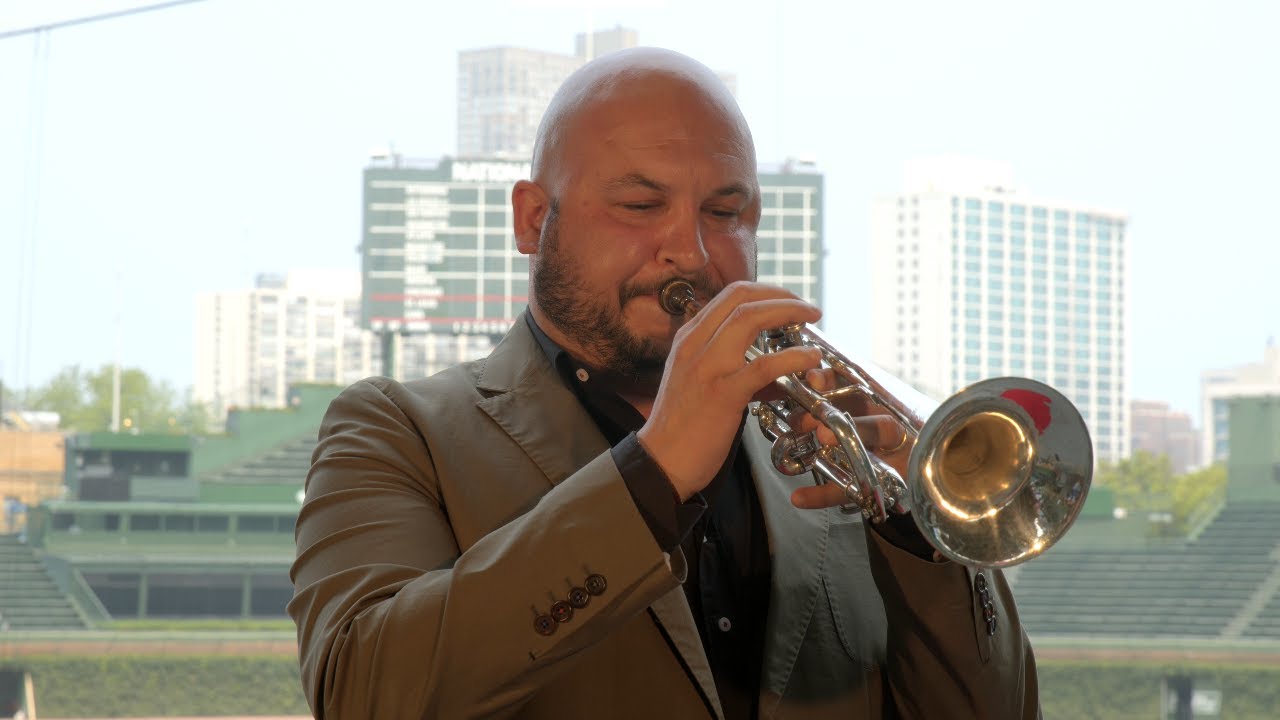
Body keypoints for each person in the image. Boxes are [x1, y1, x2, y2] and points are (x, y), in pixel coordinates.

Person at [289, 47, 1039, 719]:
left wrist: (920, 538)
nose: (692, 250)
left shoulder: (834, 462)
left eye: (725, 211)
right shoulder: (394, 430)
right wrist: (655, 473)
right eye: (640, 206)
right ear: (531, 220)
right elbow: (362, 693)